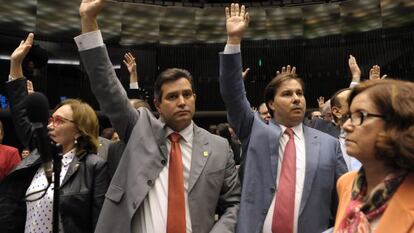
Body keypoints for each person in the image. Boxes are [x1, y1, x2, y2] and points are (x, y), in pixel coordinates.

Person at [75, 1, 241, 233]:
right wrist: (89, 21)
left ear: (194, 97)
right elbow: (107, 88)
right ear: (158, 105)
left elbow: (234, 204)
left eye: (187, 94)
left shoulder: (219, 147)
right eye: (172, 97)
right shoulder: (139, 128)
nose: (182, 102)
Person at [219, 4, 347, 233]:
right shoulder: (254, 130)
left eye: (299, 93)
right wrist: (234, 41)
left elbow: (344, 202)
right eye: (287, 94)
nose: (296, 98)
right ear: (271, 104)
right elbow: (232, 94)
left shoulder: (330, 145)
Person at [0, 33, 109, 233]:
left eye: (59, 121)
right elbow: (22, 114)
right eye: (51, 119)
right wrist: (16, 64)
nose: (50, 125)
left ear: (79, 130)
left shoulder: (94, 166)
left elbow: (99, 223)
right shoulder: (40, 154)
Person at [334, 79, 414, 233]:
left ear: (397, 124)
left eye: (361, 115)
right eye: (349, 116)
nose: (346, 126)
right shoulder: (346, 184)